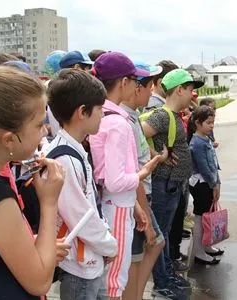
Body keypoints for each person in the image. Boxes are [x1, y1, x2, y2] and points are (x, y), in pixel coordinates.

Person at [0, 66, 66, 299]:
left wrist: (29, 242)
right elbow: (40, 281)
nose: (45, 131)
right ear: (9, 139)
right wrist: (50, 203)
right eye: (38, 124)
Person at [89, 52, 160, 300]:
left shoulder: (103, 115)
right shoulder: (118, 123)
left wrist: (137, 209)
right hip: (117, 205)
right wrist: (144, 172)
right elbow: (116, 181)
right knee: (114, 282)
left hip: (114, 204)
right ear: (123, 83)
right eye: (134, 79)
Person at [47, 69, 118, 300]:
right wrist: (109, 245)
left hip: (88, 257)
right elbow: (80, 215)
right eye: (100, 110)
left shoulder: (72, 149)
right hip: (79, 266)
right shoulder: (64, 158)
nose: (103, 116)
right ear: (82, 112)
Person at [141, 69, 203, 299]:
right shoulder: (163, 115)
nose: (193, 94)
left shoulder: (173, 115)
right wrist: (156, 154)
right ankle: (162, 282)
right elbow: (134, 133)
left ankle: (166, 275)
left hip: (172, 185)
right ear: (179, 90)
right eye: (189, 89)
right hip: (164, 185)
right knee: (160, 236)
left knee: (164, 234)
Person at [120, 61, 167, 300]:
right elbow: (132, 174)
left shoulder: (133, 117)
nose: (153, 91)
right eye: (151, 86)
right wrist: (144, 216)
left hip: (140, 195)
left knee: (154, 245)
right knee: (135, 259)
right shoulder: (123, 122)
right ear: (136, 88)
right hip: (136, 197)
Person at [188, 106, 223, 265]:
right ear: (198, 123)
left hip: (208, 182)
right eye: (208, 123)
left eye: (213, 122)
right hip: (201, 184)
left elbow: (213, 164)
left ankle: (207, 245)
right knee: (201, 217)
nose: (211, 126)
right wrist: (214, 184)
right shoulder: (197, 143)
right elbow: (204, 167)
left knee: (207, 216)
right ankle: (199, 252)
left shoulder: (205, 139)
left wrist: (217, 182)